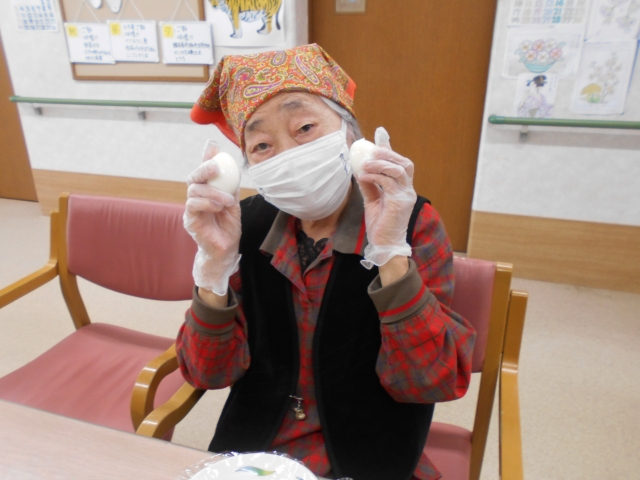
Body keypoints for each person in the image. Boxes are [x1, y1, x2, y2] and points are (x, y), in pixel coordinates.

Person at [176, 44, 476, 480]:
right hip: (256, 453)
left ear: (350, 135)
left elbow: (432, 380)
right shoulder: (246, 227)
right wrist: (214, 265)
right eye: (262, 144)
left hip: (370, 454)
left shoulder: (411, 222)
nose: (287, 154)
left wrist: (391, 252)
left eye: (305, 127)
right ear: (246, 166)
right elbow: (208, 372)